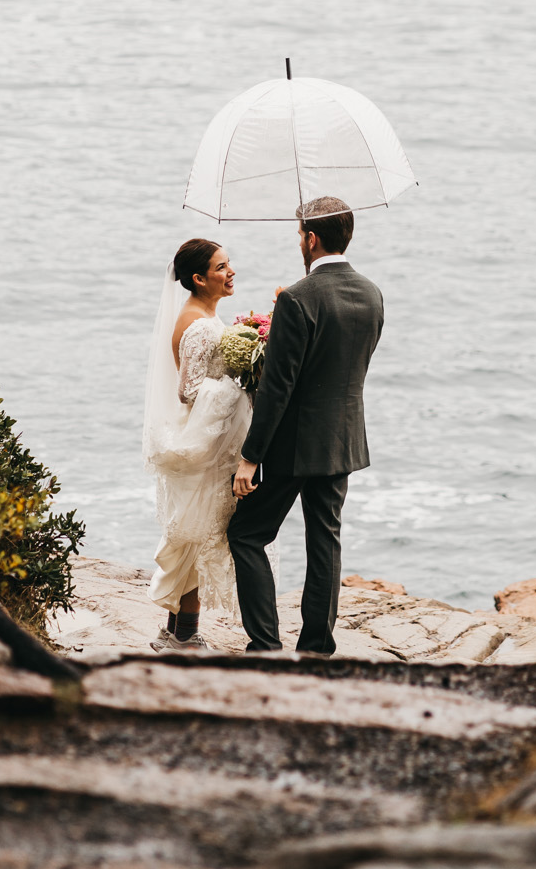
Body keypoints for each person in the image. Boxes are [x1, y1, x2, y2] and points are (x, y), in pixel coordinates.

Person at [227, 196, 384, 654]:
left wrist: (250, 458)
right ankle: (316, 646)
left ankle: (265, 644)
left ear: (311, 239)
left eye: (300, 234)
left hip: (294, 446)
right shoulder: (372, 293)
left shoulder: (299, 298)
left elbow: (277, 391)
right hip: (343, 440)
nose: (299, 241)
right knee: (325, 542)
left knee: (248, 534)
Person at [140, 237, 252, 650]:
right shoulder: (199, 325)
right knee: (198, 533)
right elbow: (189, 390)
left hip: (204, 439)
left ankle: (176, 630)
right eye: (222, 267)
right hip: (204, 445)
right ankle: (185, 636)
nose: (231, 271)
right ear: (198, 278)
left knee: (194, 532)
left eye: (229, 263)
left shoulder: (202, 316)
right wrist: (243, 384)